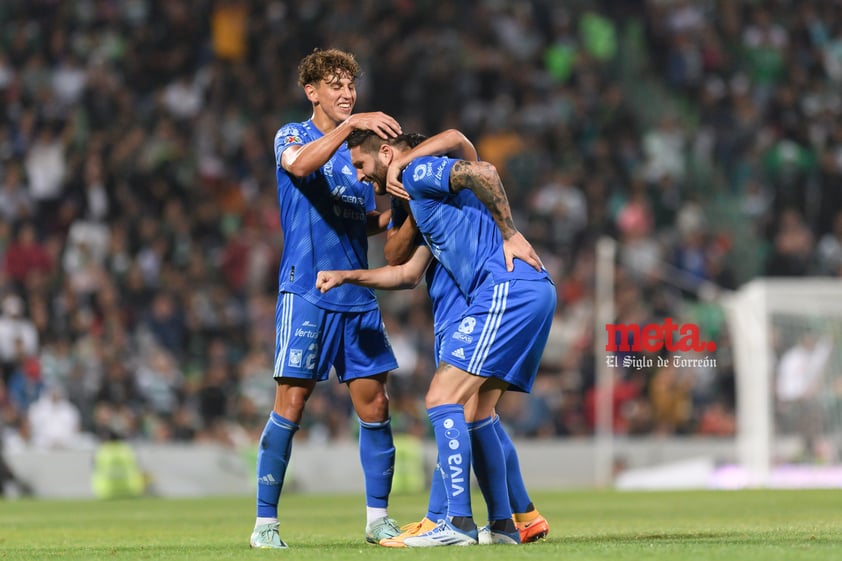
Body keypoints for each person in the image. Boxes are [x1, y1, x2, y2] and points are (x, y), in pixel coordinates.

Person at [317, 129, 550, 546]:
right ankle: (504, 526)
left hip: (506, 289)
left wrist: (510, 231)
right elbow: (404, 272)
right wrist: (348, 276)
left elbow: (484, 168)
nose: (360, 177)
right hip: (524, 291)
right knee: (478, 414)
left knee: (443, 399)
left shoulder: (419, 171)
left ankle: (454, 523)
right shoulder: (428, 204)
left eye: (361, 165)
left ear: (387, 153)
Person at [249, 48, 404, 549]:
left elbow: (364, 223)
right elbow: (298, 168)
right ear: (311, 92)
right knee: (291, 403)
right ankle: (265, 525)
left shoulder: (355, 157)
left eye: (351, 86)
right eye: (335, 86)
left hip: (354, 292)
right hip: (306, 290)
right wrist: (352, 124)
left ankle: (378, 520)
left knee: (376, 403)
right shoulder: (292, 136)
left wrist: (407, 210)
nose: (346, 93)